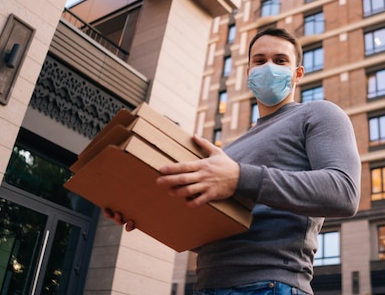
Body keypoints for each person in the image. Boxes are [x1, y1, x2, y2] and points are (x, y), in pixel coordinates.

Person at [106, 27, 361, 295]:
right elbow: (213, 232)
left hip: (270, 285)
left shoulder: (318, 113)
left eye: (280, 60)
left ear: (298, 73)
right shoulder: (229, 151)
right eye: (260, 61)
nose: (269, 67)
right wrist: (149, 215)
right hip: (206, 286)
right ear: (249, 74)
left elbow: (345, 192)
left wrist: (239, 177)